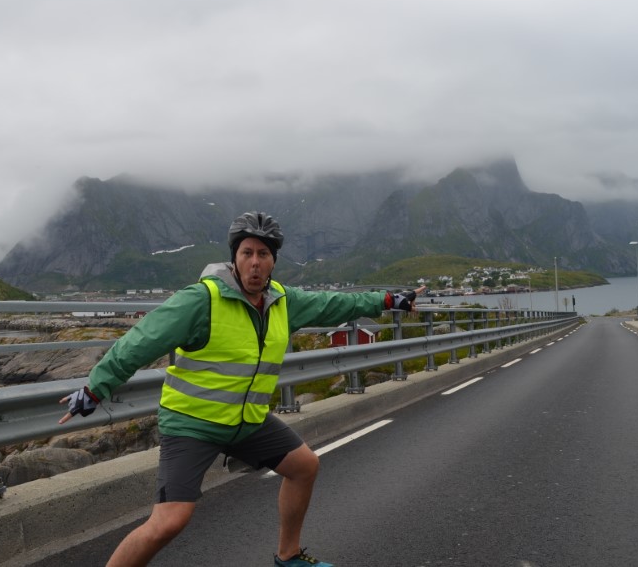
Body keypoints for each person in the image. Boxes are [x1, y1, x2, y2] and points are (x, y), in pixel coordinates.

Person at [59, 211, 425, 567]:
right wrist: (95, 389)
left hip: (247, 421)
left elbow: (337, 303)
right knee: (169, 521)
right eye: (247, 253)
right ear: (234, 258)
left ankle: (288, 556)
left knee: (304, 466)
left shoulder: (283, 301)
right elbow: (141, 340)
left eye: (263, 254)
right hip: (192, 424)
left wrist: (388, 300)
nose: (255, 263)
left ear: (273, 261)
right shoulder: (201, 300)